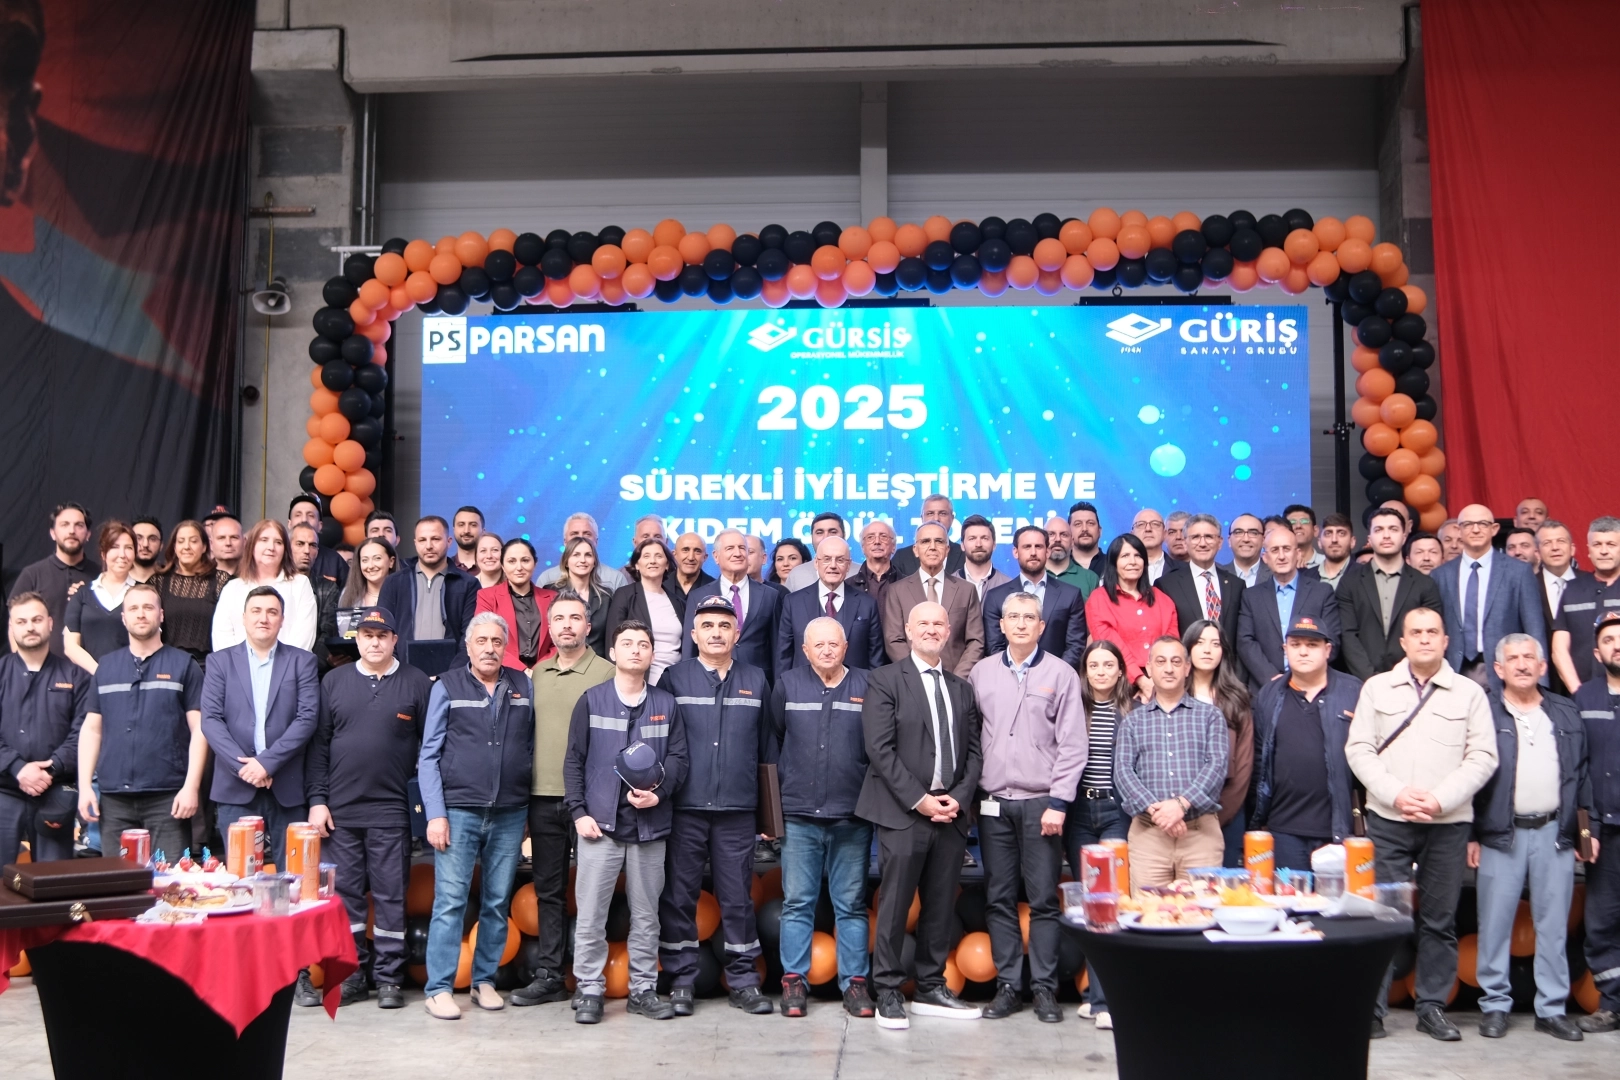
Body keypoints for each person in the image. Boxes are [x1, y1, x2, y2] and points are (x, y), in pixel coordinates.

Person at [1347, 606, 1498, 1041]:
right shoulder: (1377, 688)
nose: (1425, 639)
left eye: (1433, 632)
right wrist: (1396, 793)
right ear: (1404, 642)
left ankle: (1431, 1007)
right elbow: (1359, 750)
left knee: (1439, 921)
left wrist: (1439, 799)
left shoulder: (1469, 693)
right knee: (1382, 920)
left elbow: (1483, 756)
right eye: (1416, 632)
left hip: (1448, 822)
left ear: (1446, 641)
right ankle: (1372, 1010)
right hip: (1389, 819)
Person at [859, 600, 984, 1030]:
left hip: (951, 815)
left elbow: (974, 752)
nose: (931, 630)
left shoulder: (962, 688)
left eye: (938, 624)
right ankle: (888, 991)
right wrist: (920, 799)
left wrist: (958, 798)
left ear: (948, 632)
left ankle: (931, 986)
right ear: (908, 632)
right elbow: (879, 749)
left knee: (940, 904)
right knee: (895, 905)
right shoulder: (885, 680)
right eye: (923, 623)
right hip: (903, 812)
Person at [302, 606, 432, 1011]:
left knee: (392, 896)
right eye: (367, 635)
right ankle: (353, 975)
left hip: (392, 812)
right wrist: (318, 801)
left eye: (382, 635)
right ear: (357, 639)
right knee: (346, 899)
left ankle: (390, 978)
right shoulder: (333, 682)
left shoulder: (416, 682)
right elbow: (318, 748)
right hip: (340, 813)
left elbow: (431, 749)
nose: (374, 642)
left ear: (395, 640)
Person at [969, 591, 1086, 1024]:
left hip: (1042, 805)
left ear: (1041, 626)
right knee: (999, 897)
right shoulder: (981, 673)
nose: (1020, 624)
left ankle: (1044, 989)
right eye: (1013, 617)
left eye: (1029, 617)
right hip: (993, 803)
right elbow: (970, 737)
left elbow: (1073, 744)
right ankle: (1007, 986)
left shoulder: (1061, 674)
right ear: (1000, 625)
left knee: (1042, 900)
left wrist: (1059, 802)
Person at [1467, 634, 1591, 1041]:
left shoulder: (1565, 711)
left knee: (1553, 926)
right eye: (1512, 658)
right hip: (1500, 833)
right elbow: (1468, 775)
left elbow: (1582, 775)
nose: (1521, 665)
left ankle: (1551, 1009)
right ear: (1498, 669)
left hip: (1555, 832)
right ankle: (1494, 1005)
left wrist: (1585, 831)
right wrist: (1471, 833)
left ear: (1542, 666)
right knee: (1494, 923)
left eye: (1529, 658)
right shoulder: (1484, 711)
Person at [564, 619, 688, 1025]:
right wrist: (579, 812)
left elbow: (679, 759)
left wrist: (659, 793)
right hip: (599, 827)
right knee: (591, 915)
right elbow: (574, 760)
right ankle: (588, 989)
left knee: (647, 916)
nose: (636, 650)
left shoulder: (667, 704)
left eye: (644, 644)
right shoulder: (591, 700)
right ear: (613, 653)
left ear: (653, 654)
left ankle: (642, 990)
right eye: (628, 643)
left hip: (649, 827)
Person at [655, 595, 774, 1016]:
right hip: (684, 808)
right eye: (707, 626)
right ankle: (681, 980)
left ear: (737, 633)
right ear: (694, 634)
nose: (716, 633)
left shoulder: (756, 679)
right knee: (679, 896)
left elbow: (767, 750)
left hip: (738, 810)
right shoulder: (673, 678)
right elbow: (661, 745)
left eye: (725, 626)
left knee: (738, 898)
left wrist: (768, 815)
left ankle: (744, 981)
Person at [418, 612, 535, 1020]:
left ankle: (484, 980)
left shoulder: (523, 686)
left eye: (497, 642)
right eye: (481, 641)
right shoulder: (447, 686)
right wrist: (436, 814)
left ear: (506, 647)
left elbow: (529, 747)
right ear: (467, 646)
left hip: (510, 812)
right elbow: (428, 756)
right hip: (458, 812)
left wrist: (527, 812)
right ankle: (438, 989)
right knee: (450, 902)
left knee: (497, 901)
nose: (489, 648)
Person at [509, 591, 615, 1009]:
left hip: (590, 803)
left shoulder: (607, 672)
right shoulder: (536, 674)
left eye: (575, 618)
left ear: (588, 625)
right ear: (549, 627)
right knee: (548, 891)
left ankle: (590, 979)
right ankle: (551, 976)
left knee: (593, 895)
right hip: (542, 797)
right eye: (559, 619)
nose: (567, 625)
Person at [772, 618, 875, 1019]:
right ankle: (794, 981)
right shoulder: (787, 684)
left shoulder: (868, 684)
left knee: (851, 904)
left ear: (846, 647)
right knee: (798, 902)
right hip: (799, 815)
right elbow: (775, 742)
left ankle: (855, 984)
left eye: (834, 644)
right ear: (805, 649)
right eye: (819, 645)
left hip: (852, 815)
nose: (827, 650)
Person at [76, 583, 206, 863]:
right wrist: (85, 786)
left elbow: (200, 730)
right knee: (119, 882)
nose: (141, 614)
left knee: (172, 881)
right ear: (124, 618)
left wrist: (191, 787)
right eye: (133, 608)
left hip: (168, 798)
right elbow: (92, 730)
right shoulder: (106, 668)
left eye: (148, 607)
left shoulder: (184, 665)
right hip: (114, 800)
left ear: (161, 615)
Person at [201, 585, 320, 869]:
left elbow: (306, 719)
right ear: (243, 618)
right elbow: (211, 720)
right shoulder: (219, 662)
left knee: (295, 876)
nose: (263, 618)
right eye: (256, 611)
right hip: (236, 786)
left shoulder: (303, 661)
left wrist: (266, 764)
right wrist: (245, 768)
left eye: (272, 612)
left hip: (287, 785)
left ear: (282, 620)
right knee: (241, 877)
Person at [1249, 617, 1363, 872]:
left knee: (1337, 899)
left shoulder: (1353, 691)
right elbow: (1259, 760)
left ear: (1328, 650)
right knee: (1289, 898)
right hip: (1283, 828)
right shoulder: (1269, 694)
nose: (1303, 651)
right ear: (1285, 649)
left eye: (1312, 645)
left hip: (1337, 831)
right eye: (1296, 644)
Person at [1114, 636, 1228, 885]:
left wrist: (1180, 805)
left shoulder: (1210, 716)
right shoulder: (1132, 720)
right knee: (1149, 908)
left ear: (1187, 668)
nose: (1168, 668)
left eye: (1176, 662)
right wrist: (1158, 812)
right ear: (1149, 668)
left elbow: (1217, 766)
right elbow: (1122, 771)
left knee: (1202, 908)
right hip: (1148, 836)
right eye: (1161, 661)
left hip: (1200, 835)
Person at [1065, 640, 1132, 1028]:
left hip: (1115, 813)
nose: (1102, 671)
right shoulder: (1075, 708)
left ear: (1121, 670)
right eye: (1094, 665)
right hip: (1080, 813)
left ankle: (1108, 1001)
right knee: (1091, 905)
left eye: (1109, 664)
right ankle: (1094, 995)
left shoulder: (1132, 710)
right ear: (1085, 671)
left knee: (1111, 903)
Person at [0, 593, 91, 864]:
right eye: (22, 621)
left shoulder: (76, 676)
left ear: (50, 623)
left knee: (53, 880)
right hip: (4, 791)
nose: (30, 627)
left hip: (56, 791)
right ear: (11, 627)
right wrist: (18, 767)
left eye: (36, 620)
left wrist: (49, 770)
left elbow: (84, 733)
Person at [1434, 503, 1547, 690]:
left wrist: (1540, 684)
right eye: (1468, 524)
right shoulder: (1441, 575)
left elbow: (1534, 629)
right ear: (1459, 530)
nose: (1476, 529)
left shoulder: (1518, 572)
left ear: (1494, 529)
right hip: (1453, 670)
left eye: (1483, 524)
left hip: (1505, 671)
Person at [1572, 612, 1620, 1032]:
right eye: (1608, 640)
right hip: (1604, 833)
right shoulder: (1584, 698)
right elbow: (1578, 768)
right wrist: (1588, 832)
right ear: (1596, 651)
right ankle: (1611, 1004)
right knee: (1602, 920)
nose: (1617, 646)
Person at [1339, 507, 1445, 680]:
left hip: (1412, 679)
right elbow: (1347, 635)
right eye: (1379, 530)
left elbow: (1430, 634)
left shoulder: (1425, 584)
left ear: (1404, 536)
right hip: (1360, 680)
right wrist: (1369, 677)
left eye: (1393, 529)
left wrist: (1404, 676)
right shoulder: (1349, 582)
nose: (1386, 535)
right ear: (1369, 539)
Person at [1183, 620, 1253, 867]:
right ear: (1188, 649)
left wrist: (1216, 817)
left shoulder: (1236, 698)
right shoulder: (1171, 694)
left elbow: (1244, 766)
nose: (1207, 650)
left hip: (1227, 813)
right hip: (1177, 817)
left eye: (1215, 644)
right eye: (1200, 643)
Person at [1237, 525, 1341, 691]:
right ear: (1265, 557)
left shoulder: (1322, 592)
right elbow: (1245, 642)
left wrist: (1300, 677)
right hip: (1265, 688)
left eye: (1286, 549)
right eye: (1275, 550)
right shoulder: (1251, 596)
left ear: (1298, 553)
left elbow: (1332, 640)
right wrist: (1271, 677)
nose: (1281, 556)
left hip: (1312, 687)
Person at [882, 522, 984, 677]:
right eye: (925, 541)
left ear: (947, 550)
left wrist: (957, 679)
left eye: (939, 541)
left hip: (956, 680)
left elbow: (976, 641)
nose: (932, 547)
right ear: (915, 550)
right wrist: (918, 674)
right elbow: (893, 640)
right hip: (912, 681)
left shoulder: (966, 590)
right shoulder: (897, 590)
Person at [1084, 533, 1178, 698]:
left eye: (1138, 556)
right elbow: (1111, 644)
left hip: (1161, 683)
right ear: (1114, 563)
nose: (1133, 562)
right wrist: (1141, 681)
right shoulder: (1099, 599)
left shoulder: (1163, 599)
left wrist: (1155, 682)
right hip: (1118, 685)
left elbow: (1171, 644)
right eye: (1125, 556)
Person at [681, 530, 783, 681]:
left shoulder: (770, 595)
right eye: (730, 548)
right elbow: (689, 647)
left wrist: (778, 687)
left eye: (742, 548)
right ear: (716, 556)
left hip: (758, 682)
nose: (738, 553)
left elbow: (778, 649)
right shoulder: (698, 596)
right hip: (709, 680)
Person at [377, 517, 478, 663]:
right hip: (402, 669)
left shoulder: (468, 584)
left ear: (449, 541)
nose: (429, 546)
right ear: (415, 543)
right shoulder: (394, 582)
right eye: (422, 540)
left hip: (452, 671)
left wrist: (455, 672)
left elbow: (470, 635)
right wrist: (397, 668)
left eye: (435, 539)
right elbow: (383, 629)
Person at [982, 525, 1087, 665]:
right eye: (1027, 547)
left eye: (1038, 547)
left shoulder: (1070, 595)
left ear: (1047, 552)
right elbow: (995, 648)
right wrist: (1016, 673)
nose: (1033, 553)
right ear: (1015, 552)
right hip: (1009, 676)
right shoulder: (996, 597)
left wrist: (1055, 674)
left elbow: (1075, 646)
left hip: (1057, 676)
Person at [778, 536, 885, 671]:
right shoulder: (793, 602)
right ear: (816, 563)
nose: (833, 565)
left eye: (840, 560)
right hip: (803, 683)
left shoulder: (867, 604)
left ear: (848, 565)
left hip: (854, 684)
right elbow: (784, 655)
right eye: (827, 559)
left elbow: (875, 659)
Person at [212, 520, 319, 651]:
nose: (271, 547)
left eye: (278, 542)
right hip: (237, 664)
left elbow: (304, 635)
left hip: (289, 663)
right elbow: (221, 636)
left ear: (285, 549)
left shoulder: (300, 584)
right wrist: (242, 663)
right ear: (252, 546)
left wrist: (280, 662)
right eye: (264, 540)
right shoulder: (232, 588)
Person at [9, 502, 97, 655]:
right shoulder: (32, 574)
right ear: (53, 533)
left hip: (92, 665)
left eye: (79, 525)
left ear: (88, 534)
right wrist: (22, 665)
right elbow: (14, 624)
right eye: (64, 525)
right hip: (43, 667)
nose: (71, 531)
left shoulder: (100, 575)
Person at [1158, 514, 1245, 659]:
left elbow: (1241, 638)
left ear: (1220, 542)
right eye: (1195, 537)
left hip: (1228, 669)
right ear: (1185, 542)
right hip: (1186, 668)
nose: (1202, 543)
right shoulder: (1166, 585)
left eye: (1209, 537)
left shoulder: (1236, 585)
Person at [1551, 516, 1620, 692]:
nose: (1603, 551)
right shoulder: (1572, 590)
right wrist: (1580, 694)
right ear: (1589, 550)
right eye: (1597, 545)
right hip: (1583, 693)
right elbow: (1559, 649)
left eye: (1611, 544)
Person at [605, 538, 687, 682]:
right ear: (637, 564)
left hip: (676, 681)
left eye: (659, 556)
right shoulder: (624, 595)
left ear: (667, 564)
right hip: (639, 680)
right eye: (646, 556)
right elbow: (612, 641)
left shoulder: (678, 602)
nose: (653, 561)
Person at [153, 519, 230, 669]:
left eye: (193, 541)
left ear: (204, 547)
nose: (186, 546)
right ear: (174, 547)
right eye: (181, 541)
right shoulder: (158, 581)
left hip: (208, 666)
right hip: (167, 665)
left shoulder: (222, 581)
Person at [63, 521, 135, 673]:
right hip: (88, 680)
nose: (122, 554)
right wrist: (100, 673)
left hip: (131, 679)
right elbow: (71, 646)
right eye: (115, 547)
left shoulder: (144, 593)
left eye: (128, 548)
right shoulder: (82, 594)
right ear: (103, 553)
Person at [474, 538, 556, 672]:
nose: (519, 567)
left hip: (545, 672)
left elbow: (558, 641)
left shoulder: (553, 598)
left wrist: (539, 671)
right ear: (502, 566)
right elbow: (484, 640)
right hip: (502, 672)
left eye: (525, 560)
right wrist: (522, 670)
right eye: (512, 561)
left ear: (535, 564)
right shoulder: (487, 596)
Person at [539, 536, 613, 658]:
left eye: (588, 555)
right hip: (561, 662)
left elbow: (610, 637)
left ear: (594, 561)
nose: (582, 560)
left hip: (597, 663)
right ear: (566, 561)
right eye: (576, 555)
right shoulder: (551, 592)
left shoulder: (606, 596)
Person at [291, 522, 342, 671]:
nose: (307, 551)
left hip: (312, 669)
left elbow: (327, 632)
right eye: (300, 544)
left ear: (317, 551)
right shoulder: (273, 584)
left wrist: (308, 667)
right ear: (287, 547)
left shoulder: (328, 588)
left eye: (312, 545)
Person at [536, 513, 630, 591]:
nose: (580, 538)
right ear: (565, 542)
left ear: (596, 541)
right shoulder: (547, 579)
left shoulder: (615, 579)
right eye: (574, 534)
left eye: (587, 534)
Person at [891, 494, 966, 577]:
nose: (936, 519)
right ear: (922, 518)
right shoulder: (901, 557)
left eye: (942, 513)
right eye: (930, 513)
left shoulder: (965, 555)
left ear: (952, 518)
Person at [288, 494, 349, 588]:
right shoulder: (278, 556)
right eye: (298, 515)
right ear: (289, 524)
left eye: (310, 515)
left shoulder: (334, 561)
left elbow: (351, 593)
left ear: (320, 525)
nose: (304, 519)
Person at [784, 513, 850, 592]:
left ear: (844, 535)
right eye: (819, 532)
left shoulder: (859, 573)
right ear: (812, 537)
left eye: (833, 532)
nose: (826, 537)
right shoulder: (796, 575)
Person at [953, 514, 1011, 601]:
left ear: (994, 545)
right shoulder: (947, 585)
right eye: (972, 538)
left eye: (984, 538)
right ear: (962, 546)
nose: (978, 544)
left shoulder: (1008, 586)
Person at [1045, 514, 1100, 597]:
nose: (1058, 539)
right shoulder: (1032, 574)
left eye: (1064, 535)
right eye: (1051, 534)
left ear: (1072, 541)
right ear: (1042, 540)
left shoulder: (1090, 578)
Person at [337, 536, 396, 611]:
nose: (370, 566)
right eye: (365, 560)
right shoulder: (348, 593)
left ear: (391, 562)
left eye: (377, 558)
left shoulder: (405, 593)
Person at [850, 518, 901, 601]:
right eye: (870, 537)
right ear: (863, 547)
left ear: (894, 547)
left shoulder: (908, 585)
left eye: (883, 537)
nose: (877, 541)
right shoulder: (848, 586)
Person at [1218, 513, 1266, 587]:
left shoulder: (1276, 574)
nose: (1246, 539)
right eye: (1238, 532)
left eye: (1253, 533)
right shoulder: (1218, 575)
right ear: (1229, 541)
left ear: (1263, 540)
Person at [669, 532, 714, 607]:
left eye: (697, 551)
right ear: (674, 555)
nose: (691, 557)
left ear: (705, 557)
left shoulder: (715, 589)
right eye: (685, 550)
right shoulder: (660, 585)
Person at [1131, 508, 1172, 585]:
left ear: (1165, 534)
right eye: (1141, 524)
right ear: (1132, 535)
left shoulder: (1183, 569)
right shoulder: (1119, 571)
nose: (1148, 529)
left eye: (1155, 524)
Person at [1317, 513, 1356, 591]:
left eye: (1341, 533)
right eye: (1328, 534)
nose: (1334, 539)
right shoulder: (1305, 577)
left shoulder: (1366, 575)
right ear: (1319, 542)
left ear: (1352, 542)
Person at [1068, 501, 1106, 576]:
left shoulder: (1113, 564)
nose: (1084, 529)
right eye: (1078, 524)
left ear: (1100, 531)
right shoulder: (1059, 565)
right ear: (1068, 532)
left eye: (1090, 523)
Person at [1283, 504, 1325, 570]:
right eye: (1292, 522)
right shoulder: (1278, 564)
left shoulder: (1327, 563)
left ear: (1315, 530)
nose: (1298, 526)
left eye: (1304, 521)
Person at [129, 516, 163, 584]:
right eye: (138, 538)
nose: (145, 544)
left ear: (161, 546)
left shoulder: (173, 581)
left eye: (152, 539)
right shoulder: (117, 578)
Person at [452, 505, 484, 573]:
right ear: (454, 530)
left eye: (473, 525)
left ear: (483, 531)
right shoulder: (444, 568)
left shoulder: (493, 568)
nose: (466, 531)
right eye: (461, 525)